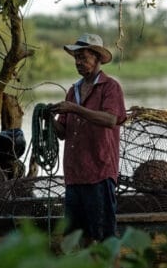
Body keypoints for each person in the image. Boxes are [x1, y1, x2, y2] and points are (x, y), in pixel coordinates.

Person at [50, 33, 126, 243]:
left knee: (104, 238)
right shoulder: (72, 91)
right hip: (74, 175)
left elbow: (110, 120)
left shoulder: (110, 87)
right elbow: (63, 133)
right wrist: (49, 120)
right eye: (76, 58)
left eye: (83, 57)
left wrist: (75, 109)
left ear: (97, 58)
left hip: (99, 173)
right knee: (77, 239)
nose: (79, 63)